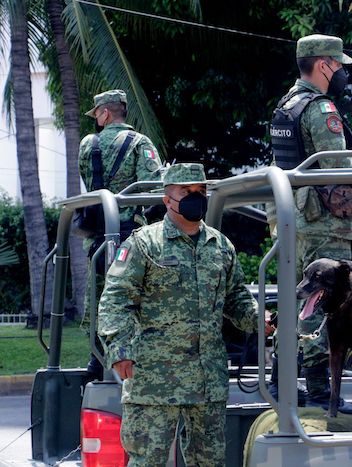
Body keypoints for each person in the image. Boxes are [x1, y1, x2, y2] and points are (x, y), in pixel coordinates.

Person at [98, 163, 270, 466]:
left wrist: (260, 319)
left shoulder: (220, 246)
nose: (196, 197)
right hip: (154, 380)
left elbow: (235, 299)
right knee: (147, 462)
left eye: (200, 191)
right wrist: (119, 350)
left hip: (207, 381)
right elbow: (115, 299)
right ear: (167, 199)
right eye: (186, 191)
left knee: (209, 462)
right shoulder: (144, 244)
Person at [267, 34, 352, 414]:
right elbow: (336, 165)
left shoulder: (286, 106)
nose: (342, 72)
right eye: (339, 64)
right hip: (323, 222)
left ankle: (280, 382)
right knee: (327, 303)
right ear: (324, 64)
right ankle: (322, 391)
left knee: (297, 301)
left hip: (295, 219)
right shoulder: (320, 108)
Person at [80, 89, 163, 379]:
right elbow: (153, 187)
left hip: (97, 236)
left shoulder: (88, 144)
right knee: (134, 298)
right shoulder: (140, 143)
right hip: (131, 238)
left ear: (105, 113)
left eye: (97, 114)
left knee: (100, 296)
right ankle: (133, 361)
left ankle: (96, 359)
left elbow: (88, 181)